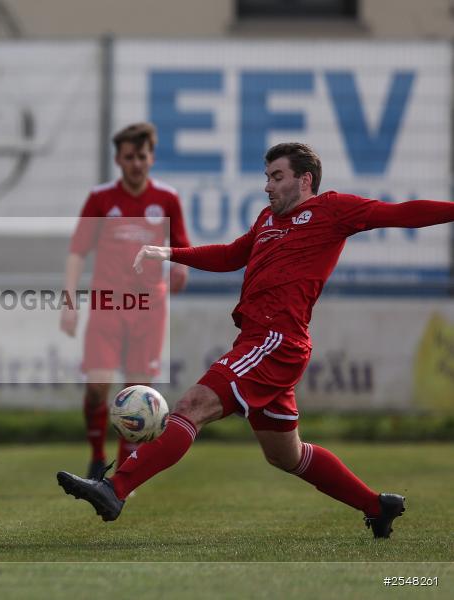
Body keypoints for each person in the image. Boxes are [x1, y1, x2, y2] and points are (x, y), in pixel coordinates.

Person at [57, 142, 454, 538]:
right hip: (261, 340)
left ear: (305, 180)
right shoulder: (267, 219)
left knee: (192, 405)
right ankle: (377, 506)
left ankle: (115, 488)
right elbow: (231, 255)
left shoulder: (332, 209)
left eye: (276, 177)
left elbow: (401, 213)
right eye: (267, 177)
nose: (268, 186)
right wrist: (170, 253)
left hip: (275, 339)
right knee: (287, 455)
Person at [60, 122, 190, 479]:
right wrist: (69, 301)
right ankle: (97, 454)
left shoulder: (167, 199)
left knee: (138, 395)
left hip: (149, 308)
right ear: (118, 159)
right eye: (129, 157)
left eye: (142, 156)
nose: (136, 163)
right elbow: (77, 251)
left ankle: (122, 473)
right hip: (108, 306)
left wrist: (180, 267)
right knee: (97, 387)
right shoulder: (101, 198)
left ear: (152, 158)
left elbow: (181, 248)